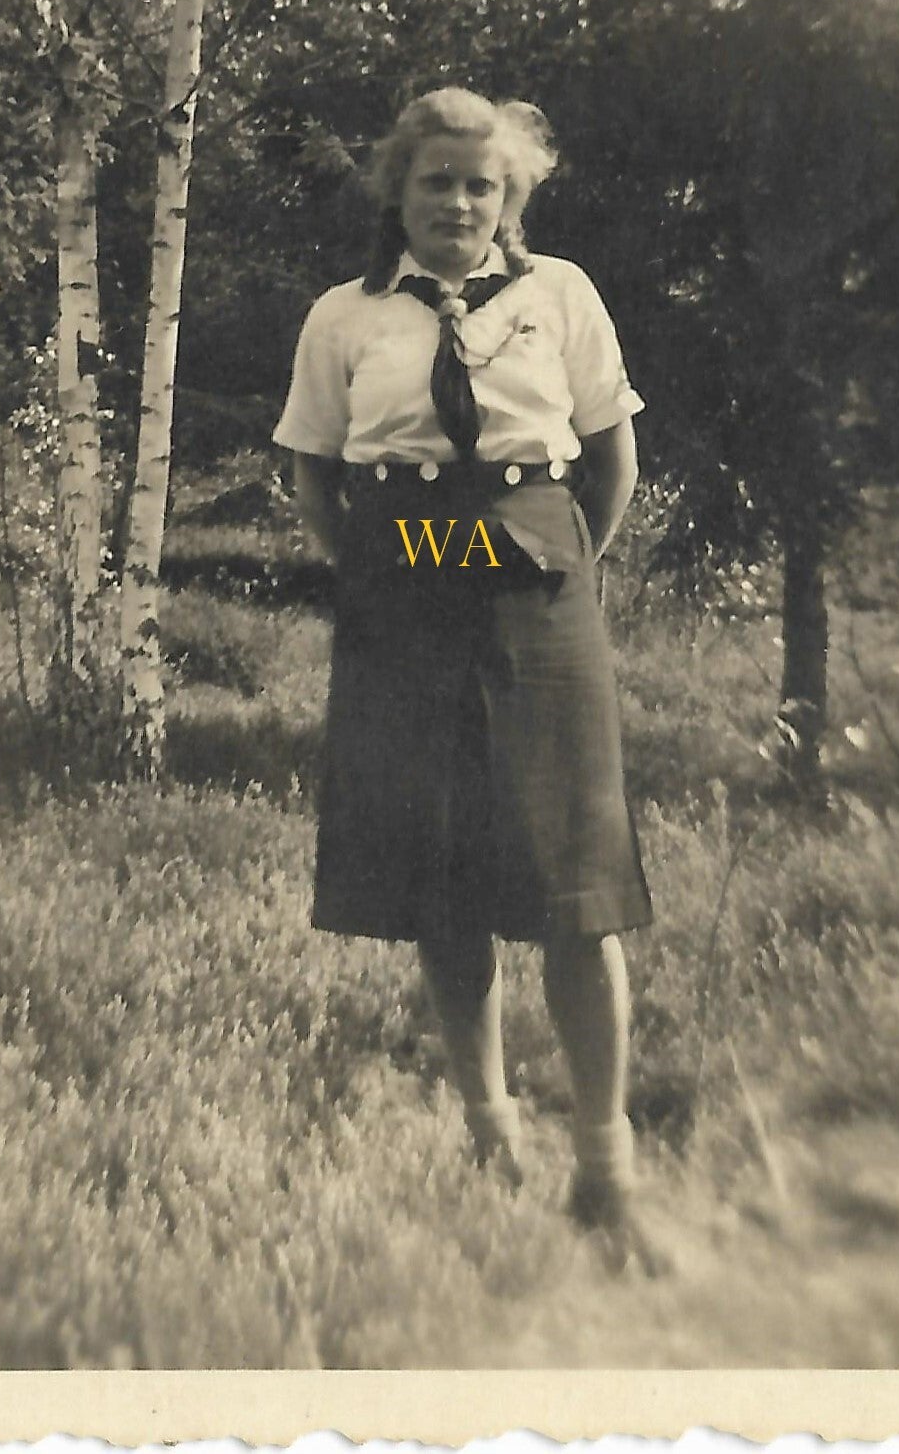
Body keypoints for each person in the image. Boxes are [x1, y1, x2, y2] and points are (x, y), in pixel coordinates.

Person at [273, 87, 652, 1238]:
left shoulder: (560, 295)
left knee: (577, 889)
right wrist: (386, 580)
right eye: (436, 180)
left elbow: (612, 459)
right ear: (400, 190)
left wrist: (564, 567)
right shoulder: (346, 315)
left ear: (510, 198)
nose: (459, 202)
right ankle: (491, 1131)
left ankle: (606, 1168)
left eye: (481, 184)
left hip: (539, 598)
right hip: (402, 601)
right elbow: (315, 479)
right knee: (443, 883)